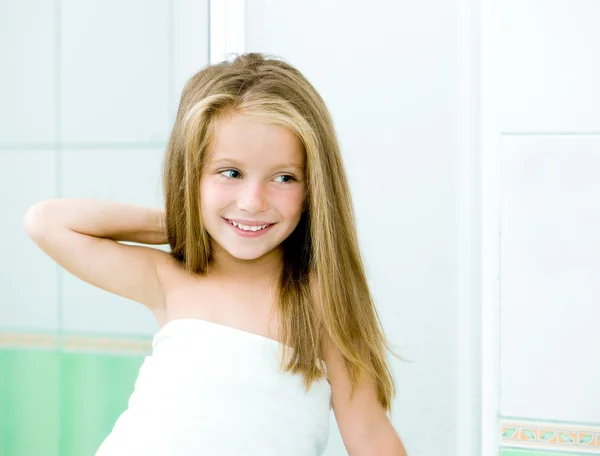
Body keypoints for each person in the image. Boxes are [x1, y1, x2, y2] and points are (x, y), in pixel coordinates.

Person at [24, 52, 408, 456]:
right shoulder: (171, 278)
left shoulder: (320, 297)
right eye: (231, 173)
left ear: (315, 189)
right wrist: (187, 220)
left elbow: (369, 435)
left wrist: (212, 213)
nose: (252, 202)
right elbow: (47, 223)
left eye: (283, 177)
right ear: (192, 175)